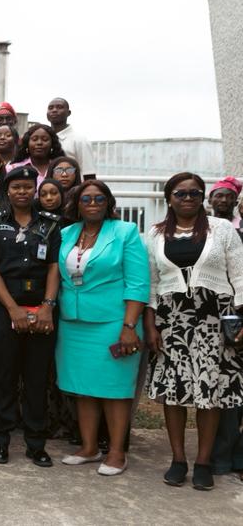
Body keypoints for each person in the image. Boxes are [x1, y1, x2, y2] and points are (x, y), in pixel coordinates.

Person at [144, 173, 243, 490]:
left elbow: (240, 277)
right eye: (180, 193)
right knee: (173, 393)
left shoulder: (223, 229)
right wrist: (151, 324)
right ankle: (177, 459)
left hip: (215, 318)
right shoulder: (155, 234)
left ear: (202, 196)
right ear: (168, 198)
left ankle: (203, 461)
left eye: (194, 193)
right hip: (171, 320)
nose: (187, 198)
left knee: (209, 394)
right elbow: (152, 285)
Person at [56, 180, 149, 475]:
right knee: (83, 388)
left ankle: (118, 452)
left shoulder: (125, 233)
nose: (92, 203)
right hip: (73, 323)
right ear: (77, 204)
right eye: (86, 199)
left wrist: (129, 326)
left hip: (114, 322)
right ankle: (89, 447)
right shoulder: (67, 233)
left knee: (114, 388)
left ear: (109, 203)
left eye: (99, 198)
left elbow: (138, 283)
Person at [0, 165, 63, 467]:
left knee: (37, 378)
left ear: (35, 189)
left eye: (28, 187)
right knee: (4, 377)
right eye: (16, 187)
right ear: (7, 191)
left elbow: (54, 267)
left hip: (41, 309)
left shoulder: (51, 225)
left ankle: (36, 444)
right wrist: (12, 308)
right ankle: (0, 441)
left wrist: (47, 306)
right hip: (4, 309)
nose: (23, 192)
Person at [46, 98, 98, 179]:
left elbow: (89, 173)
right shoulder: (44, 139)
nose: (54, 110)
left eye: (59, 107)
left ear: (68, 113)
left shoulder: (80, 140)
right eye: (50, 108)